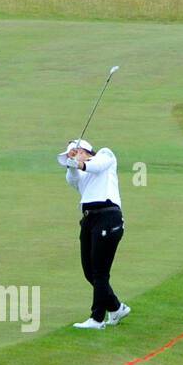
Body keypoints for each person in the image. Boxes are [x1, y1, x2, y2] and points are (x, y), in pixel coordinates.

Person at [58, 139, 130, 330]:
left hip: (108, 216)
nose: (71, 157)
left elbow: (96, 166)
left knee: (100, 272)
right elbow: (72, 180)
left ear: (85, 150)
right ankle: (115, 308)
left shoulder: (105, 155)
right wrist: (73, 165)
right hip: (89, 220)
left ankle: (97, 319)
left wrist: (80, 162)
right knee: (89, 271)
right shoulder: (80, 174)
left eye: (74, 152)